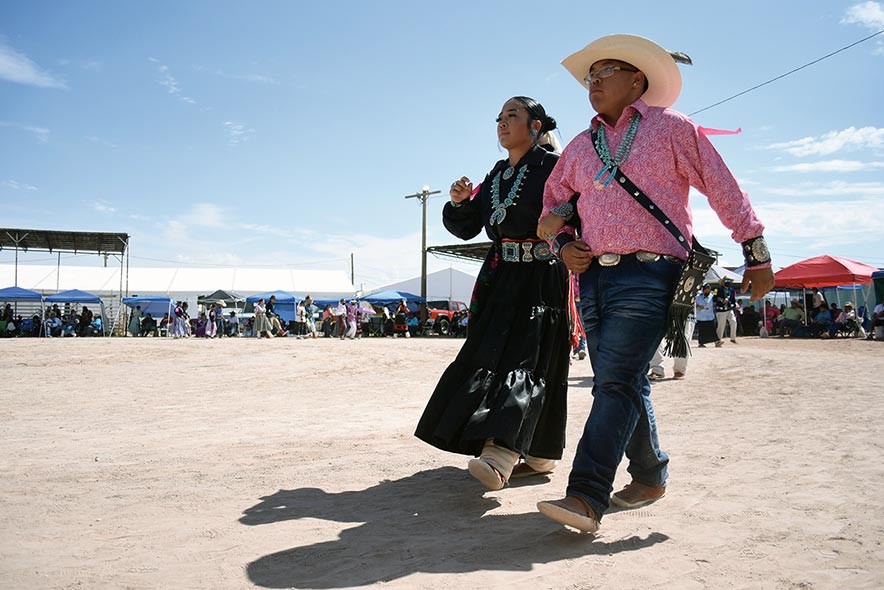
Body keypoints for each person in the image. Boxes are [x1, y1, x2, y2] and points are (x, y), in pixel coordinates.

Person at [534, 34, 774, 532]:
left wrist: (754, 248)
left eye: (604, 73)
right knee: (621, 382)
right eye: (589, 78)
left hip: (652, 273)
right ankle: (649, 475)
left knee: (616, 382)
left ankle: (586, 494)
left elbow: (722, 184)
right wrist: (563, 246)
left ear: (637, 79)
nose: (593, 83)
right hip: (593, 278)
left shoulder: (671, 129)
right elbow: (551, 212)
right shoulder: (580, 145)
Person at [415, 96, 572, 491]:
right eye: (499, 118)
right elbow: (468, 228)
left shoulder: (556, 167)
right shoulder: (499, 173)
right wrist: (459, 203)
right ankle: (539, 453)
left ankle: (501, 452)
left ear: (535, 127)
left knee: (527, 358)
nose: (502, 123)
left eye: (512, 116)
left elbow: (582, 203)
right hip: (500, 277)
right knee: (488, 355)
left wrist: (563, 217)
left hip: (540, 276)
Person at [714, 278, 738, 343]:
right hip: (721, 310)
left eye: (729, 281)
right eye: (726, 281)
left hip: (729, 309)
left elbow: (733, 299)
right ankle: (718, 340)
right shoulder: (717, 289)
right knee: (721, 325)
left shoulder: (732, 290)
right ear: (723, 282)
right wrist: (722, 300)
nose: (728, 282)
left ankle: (733, 338)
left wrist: (735, 305)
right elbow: (714, 298)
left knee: (733, 322)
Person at [694, 283, 719, 347]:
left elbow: (715, 302)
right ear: (703, 290)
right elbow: (693, 305)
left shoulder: (712, 296)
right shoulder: (697, 297)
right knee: (702, 331)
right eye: (707, 290)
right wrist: (698, 307)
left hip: (710, 316)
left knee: (713, 329)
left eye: (709, 290)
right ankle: (701, 343)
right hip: (701, 317)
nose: (708, 291)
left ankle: (717, 342)